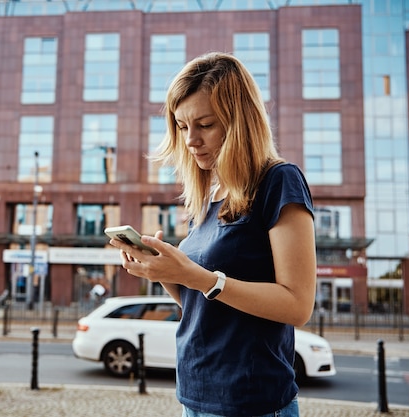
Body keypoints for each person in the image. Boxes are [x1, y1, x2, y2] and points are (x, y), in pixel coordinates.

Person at [108, 52, 316, 417]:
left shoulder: (278, 181)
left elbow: (297, 305)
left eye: (205, 124)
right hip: (196, 393)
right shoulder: (209, 196)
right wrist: (164, 273)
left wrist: (196, 275)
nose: (191, 140)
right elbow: (205, 303)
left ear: (240, 122)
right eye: (182, 126)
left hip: (251, 400)